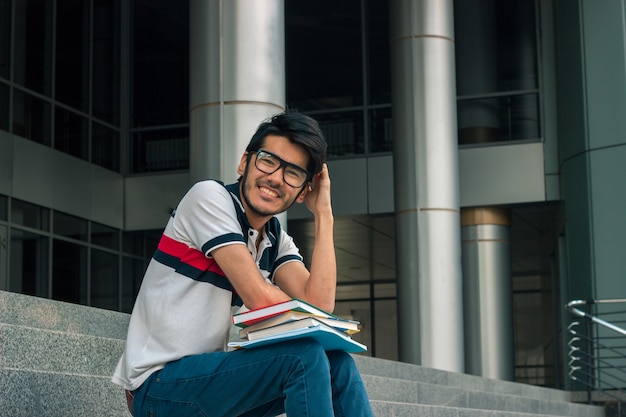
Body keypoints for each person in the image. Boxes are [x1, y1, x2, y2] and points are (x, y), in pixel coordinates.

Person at [112, 111, 374, 417]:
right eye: (268, 160)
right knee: (302, 357)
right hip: (157, 387)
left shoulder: (274, 238)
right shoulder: (209, 199)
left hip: (208, 384)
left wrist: (324, 215)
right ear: (244, 163)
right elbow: (260, 299)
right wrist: (303, 311)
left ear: (304, 191)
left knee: (337, 363)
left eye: (292, 173)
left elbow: (319, 305)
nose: (275, 177)